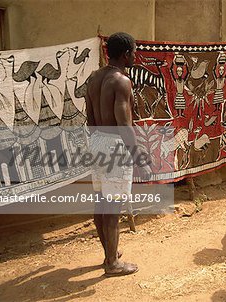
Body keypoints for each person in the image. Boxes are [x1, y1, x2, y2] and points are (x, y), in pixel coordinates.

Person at [85, 32, 149, 277]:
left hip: (97, 141)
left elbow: (90, 120)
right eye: (134, 52)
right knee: (112, 205)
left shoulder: (94, 78)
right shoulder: (121, 81)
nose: (136, 55)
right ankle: (112, 263)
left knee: (101, 201)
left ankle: (109, 253)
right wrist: (136, 154)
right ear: (126, 54)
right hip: (114, 145)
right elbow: (123, 124)